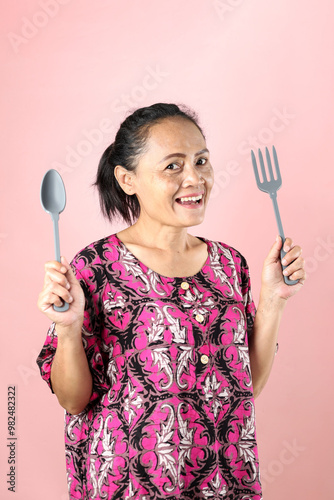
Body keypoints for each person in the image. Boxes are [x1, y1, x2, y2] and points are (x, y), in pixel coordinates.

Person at [37, 103, 306, 500]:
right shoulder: (95, 267)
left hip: (224, 483)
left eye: (201, 161)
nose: (195, 178)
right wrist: (68, 328)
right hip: (129, 486)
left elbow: (244, 389)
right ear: (128, 179)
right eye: (173, 166)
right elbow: (73, 400)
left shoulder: (230, 265)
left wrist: (274, 300)